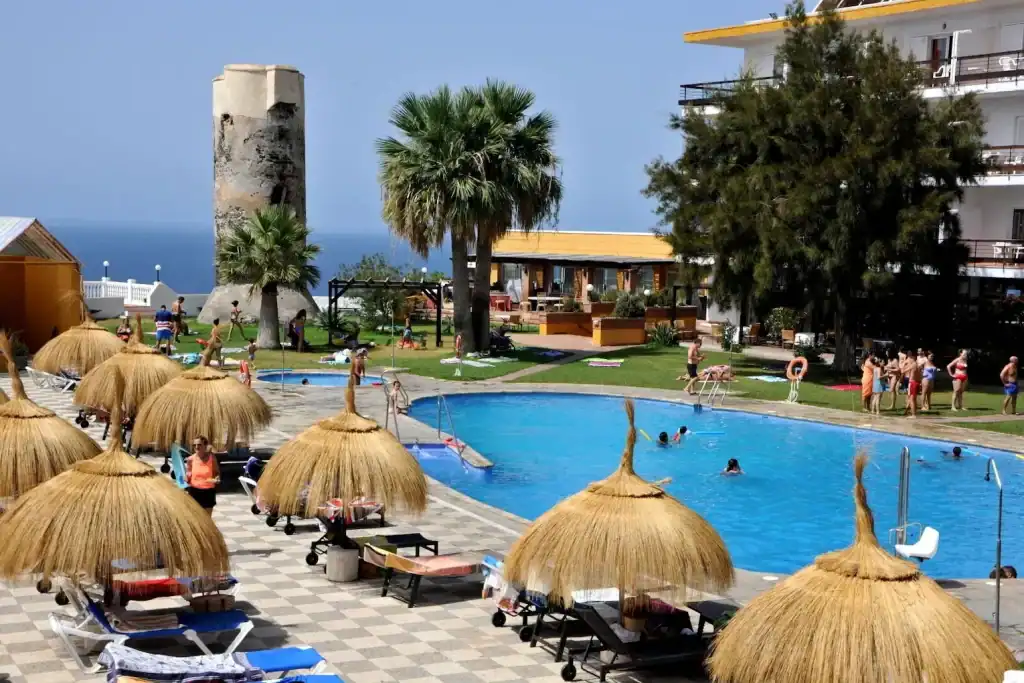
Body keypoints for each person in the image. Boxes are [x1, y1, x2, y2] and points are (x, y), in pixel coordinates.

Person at [185, 436, 219, 515]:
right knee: (194, 518)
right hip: (194, 491)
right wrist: (187, 477)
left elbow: (216, 472)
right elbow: (189, 472)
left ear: (205, 445)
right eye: (194, 445)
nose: (196, 447)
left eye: (199, 444)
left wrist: (217, 478)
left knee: (207, 519)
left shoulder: (212, 458)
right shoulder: (190, 459)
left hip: (208, 492)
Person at [902, 352, 922, 418]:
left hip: (912, 382)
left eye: (910, 358)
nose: (909, 359)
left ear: (913, 358)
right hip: (917, 382)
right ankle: (914, 413)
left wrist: (904, 364)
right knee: (914, 399)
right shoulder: (918, 366)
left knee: (911, 399)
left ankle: (913, 415)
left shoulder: (913, 364)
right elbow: (919, 376)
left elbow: (902, 371)